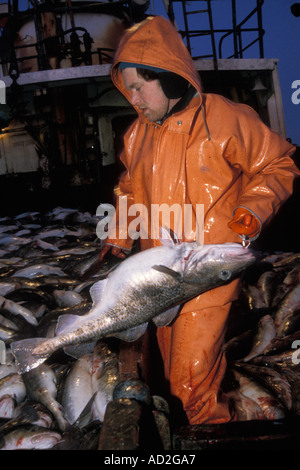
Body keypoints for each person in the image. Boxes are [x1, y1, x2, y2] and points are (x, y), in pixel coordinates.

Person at [98, 15, 299, 425]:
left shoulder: (223, 117)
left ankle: (203, 434)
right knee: (172, 363)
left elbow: (278, 164)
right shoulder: (137, 134)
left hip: (207, 270)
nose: (133, 98)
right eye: (128, 89)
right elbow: (130, 189)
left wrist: (253, 210)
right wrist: (119, 235)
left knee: (190, 382)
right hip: (158, 274)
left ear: (169, 77)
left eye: (140, 86)